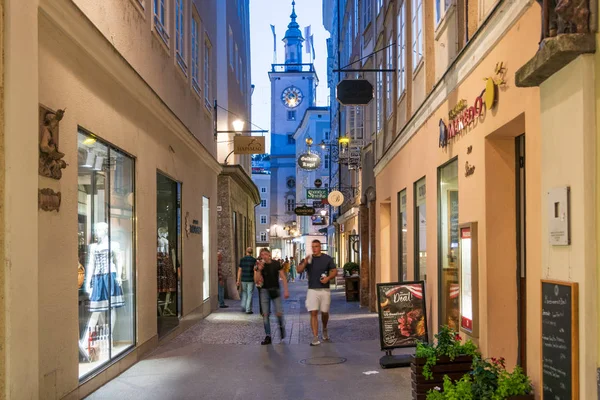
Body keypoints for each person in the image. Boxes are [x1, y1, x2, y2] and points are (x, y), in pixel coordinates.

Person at [296, 240, 337, 346]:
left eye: (316, 246)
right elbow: (298, 270)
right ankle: (315, 337)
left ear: (320, 247)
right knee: (313, 312)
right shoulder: (308, 259)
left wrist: (328, 278)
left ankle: (324, 328)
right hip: (312, 290)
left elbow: (334, 271)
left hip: (324, 289)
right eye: (313, 246)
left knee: (324, 312)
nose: (314, 248)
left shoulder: (327, 258)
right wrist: (304, 262)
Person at [255, 248, 289, 345]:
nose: (264, 256)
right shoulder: (260, 266)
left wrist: (286, 290)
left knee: (279, 313)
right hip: (264, 291)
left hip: (275, 290)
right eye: (262, 255)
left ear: (269, 254)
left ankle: (281, 326)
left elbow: (283, 277)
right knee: (265, 314)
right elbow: (256, 280)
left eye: (266, 254)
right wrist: (259, 270)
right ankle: (268, 336)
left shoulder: (276, 264)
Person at [237, 247, 256, 314]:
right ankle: (248, 309)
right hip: (250, 279)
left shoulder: (242, 259)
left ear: (246, 251)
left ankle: (243, 305)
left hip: (243, 279)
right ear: (252, 252)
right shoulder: (254, 260)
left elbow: (239, 270)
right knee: (250, 294)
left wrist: (238, 280)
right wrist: (255, 279)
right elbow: (255, 270)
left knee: (244, 292)